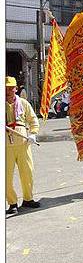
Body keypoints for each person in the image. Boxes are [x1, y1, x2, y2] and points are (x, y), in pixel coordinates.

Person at [6, 76, 40, 214]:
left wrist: (33, 133)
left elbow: (33, 120)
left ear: (16, 88)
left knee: (27, 173)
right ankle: (12, 202)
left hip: (23, 142)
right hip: (5, 146)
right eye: (5, 88)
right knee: (6, 177)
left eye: (11, 88)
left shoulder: (24, 103)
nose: (8, 91)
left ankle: (28, 198)